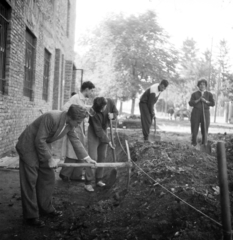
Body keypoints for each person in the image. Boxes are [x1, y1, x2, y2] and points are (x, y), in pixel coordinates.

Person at [16, 105, 96, 227]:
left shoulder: (70, 124)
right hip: (28, 145)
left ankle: (46, 209)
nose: (78, 124)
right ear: (71, 117)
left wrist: (88, 158)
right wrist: (49, 159)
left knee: (48, 178)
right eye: (78, 122)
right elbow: (39, 140)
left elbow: (75, 140)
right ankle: (31, 216)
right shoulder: (52, 117)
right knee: (30, 181)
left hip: (42, 145)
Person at [59, 81, 95, 186]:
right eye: (91, 90)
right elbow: (64, 109)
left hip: (79, 128)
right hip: (74, 128)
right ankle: (64, 174)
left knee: (79, 152)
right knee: (73, 152)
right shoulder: (75, 98)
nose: (92, 93)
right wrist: (72, 119)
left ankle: (75, 175)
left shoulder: (83, 100)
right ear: (87, 89)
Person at [87, 97, 118, 192]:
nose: (101, 110)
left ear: (105, 104)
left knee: (102, 157)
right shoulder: (93, 111)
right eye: (99, 110)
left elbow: (116, 112)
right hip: (94, 131)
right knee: (93, 157)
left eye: (102, 108)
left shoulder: (110, 102)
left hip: (104, 130)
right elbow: (98, 130)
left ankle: (98, 179)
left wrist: (113, 116)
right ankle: (88, 183)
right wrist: (108, 141)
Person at [189, 79, 215, 147]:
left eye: (203, 84)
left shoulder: (209, 94)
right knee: (194, 129)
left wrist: (205, 101)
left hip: (205, 112)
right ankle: (193, 143)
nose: (202, 86)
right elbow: (190, 103)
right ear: (198, 86)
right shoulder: (194, 94)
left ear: (206, 86)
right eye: (200, 84)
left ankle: (204, 144)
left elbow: (212, 103)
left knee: (205, 129)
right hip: (196, 112)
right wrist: (198, 100)